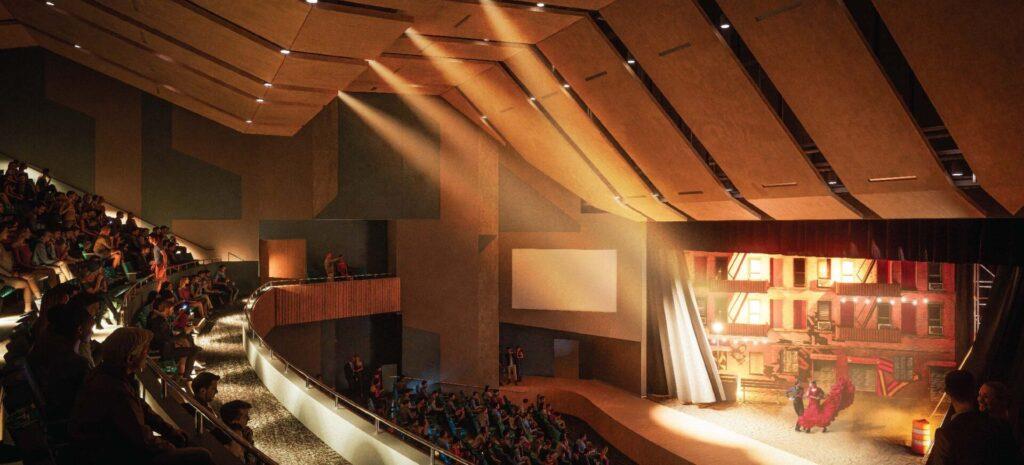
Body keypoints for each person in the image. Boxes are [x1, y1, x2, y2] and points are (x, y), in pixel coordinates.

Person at [69, 328, 214, 464]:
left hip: (111, 447)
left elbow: (143, 410)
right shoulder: (116, 390)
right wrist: (171, 447)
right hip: (112, 455)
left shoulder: (111, 375)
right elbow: (143, 439)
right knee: (202, 455)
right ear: (130, 358)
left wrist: (170, 432)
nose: (147, 355)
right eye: (145, 351)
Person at [927, 371, 1021, 465]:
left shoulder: (946, 435)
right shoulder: (998, 426)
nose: (981, 399)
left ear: (948, 393)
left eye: (986, 396)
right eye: (980, 395)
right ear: (974, 391)